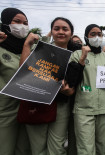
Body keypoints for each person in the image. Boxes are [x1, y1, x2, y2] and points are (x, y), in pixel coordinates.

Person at [19, 17, 75, 155]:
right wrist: (26, 45)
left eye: (65, 29)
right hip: (38, 102)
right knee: (38, 147)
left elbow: (78, 85)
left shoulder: (76, 55)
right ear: (52, 32)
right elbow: (23, 73)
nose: (60, 32)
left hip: (62, 106)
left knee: (57, 147)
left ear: (71, 34)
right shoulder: (40, 51)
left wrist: (69, 91)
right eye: (56, 29)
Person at [70, 24, 105, 155]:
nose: (96, 37)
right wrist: (82, 59)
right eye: (93, 34)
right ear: (86, 37)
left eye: (99, 34)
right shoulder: (77, 54)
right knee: (86, 149)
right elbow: (71, 80)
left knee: (102, 146)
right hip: (84, 108)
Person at [0, 7, 31, 155]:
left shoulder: (32, 50)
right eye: (17, 22)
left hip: (28, 109)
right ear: (6, 23)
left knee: (23, 150)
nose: (22, 26)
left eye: (25, 23)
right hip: (5, 111)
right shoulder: (1, 48)